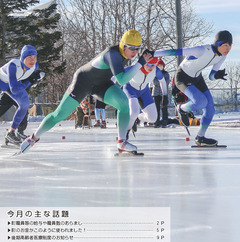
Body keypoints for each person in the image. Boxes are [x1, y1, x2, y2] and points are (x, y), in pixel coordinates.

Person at [20, 29, 152, 154]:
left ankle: (121, 142)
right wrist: (140, 63)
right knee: (59, 115)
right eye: (132, 48)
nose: (135, 52)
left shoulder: (126, 53)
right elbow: (122, 80)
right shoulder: (112, 54)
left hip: (101, 83)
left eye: (137, 48)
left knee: (123, 104)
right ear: (123, 45)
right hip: (82, 82)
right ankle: (33, 137)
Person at [153, 30, 232, 146]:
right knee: (200, 102)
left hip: (197, 78)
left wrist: (217, 76)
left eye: (230, 45)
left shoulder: (222, 57)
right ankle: (181, 108)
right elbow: (177, 51)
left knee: (210, 108)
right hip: (182, 77)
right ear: (218, 43)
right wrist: (153, 53)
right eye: (225, 45)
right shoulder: (202, 50)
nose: (228, 48)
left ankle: (200, 137)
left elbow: (211, 76)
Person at [0, 45, 38, 144]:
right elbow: (14, 90)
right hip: (3, 82)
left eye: (34, 57)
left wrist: (36, 79)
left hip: (15, 83)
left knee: (24, 104)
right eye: (29, 57)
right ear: (23, 58)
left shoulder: (35, 66)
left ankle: (11, 132)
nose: (32, 60)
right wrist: (30, 81)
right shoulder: (13, 66)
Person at [122, 56, 168, 138]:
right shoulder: (133, 68)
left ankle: (136, 119)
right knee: (133, 112)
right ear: (143, 63)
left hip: (144, 91)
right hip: (130, 89)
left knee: (153, 118)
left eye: (154, 65)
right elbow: (116, 75)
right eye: (149, 64)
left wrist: (165, 95)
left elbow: (162, 81)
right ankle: (125, 132)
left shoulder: (156, 70)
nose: (151, 67)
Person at [0, 70, 45, 139]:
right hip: (9, 95)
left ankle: (20, 132)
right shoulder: (28, 75)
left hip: (19, 96)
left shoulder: (33, 78)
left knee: (23, 112)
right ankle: (18, 132)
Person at [151, 58, 170, 128]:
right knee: (156, 108)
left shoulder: (166, 74)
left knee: (164, 107)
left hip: (163, 93)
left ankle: (165, 121)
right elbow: (155, 82)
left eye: (161, 65)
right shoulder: (154, 73)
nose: (160, 67)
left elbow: (167, 82)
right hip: (155, 93)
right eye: (158, 65)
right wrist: (161, 81)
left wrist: (162, 82)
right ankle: (156, 121)